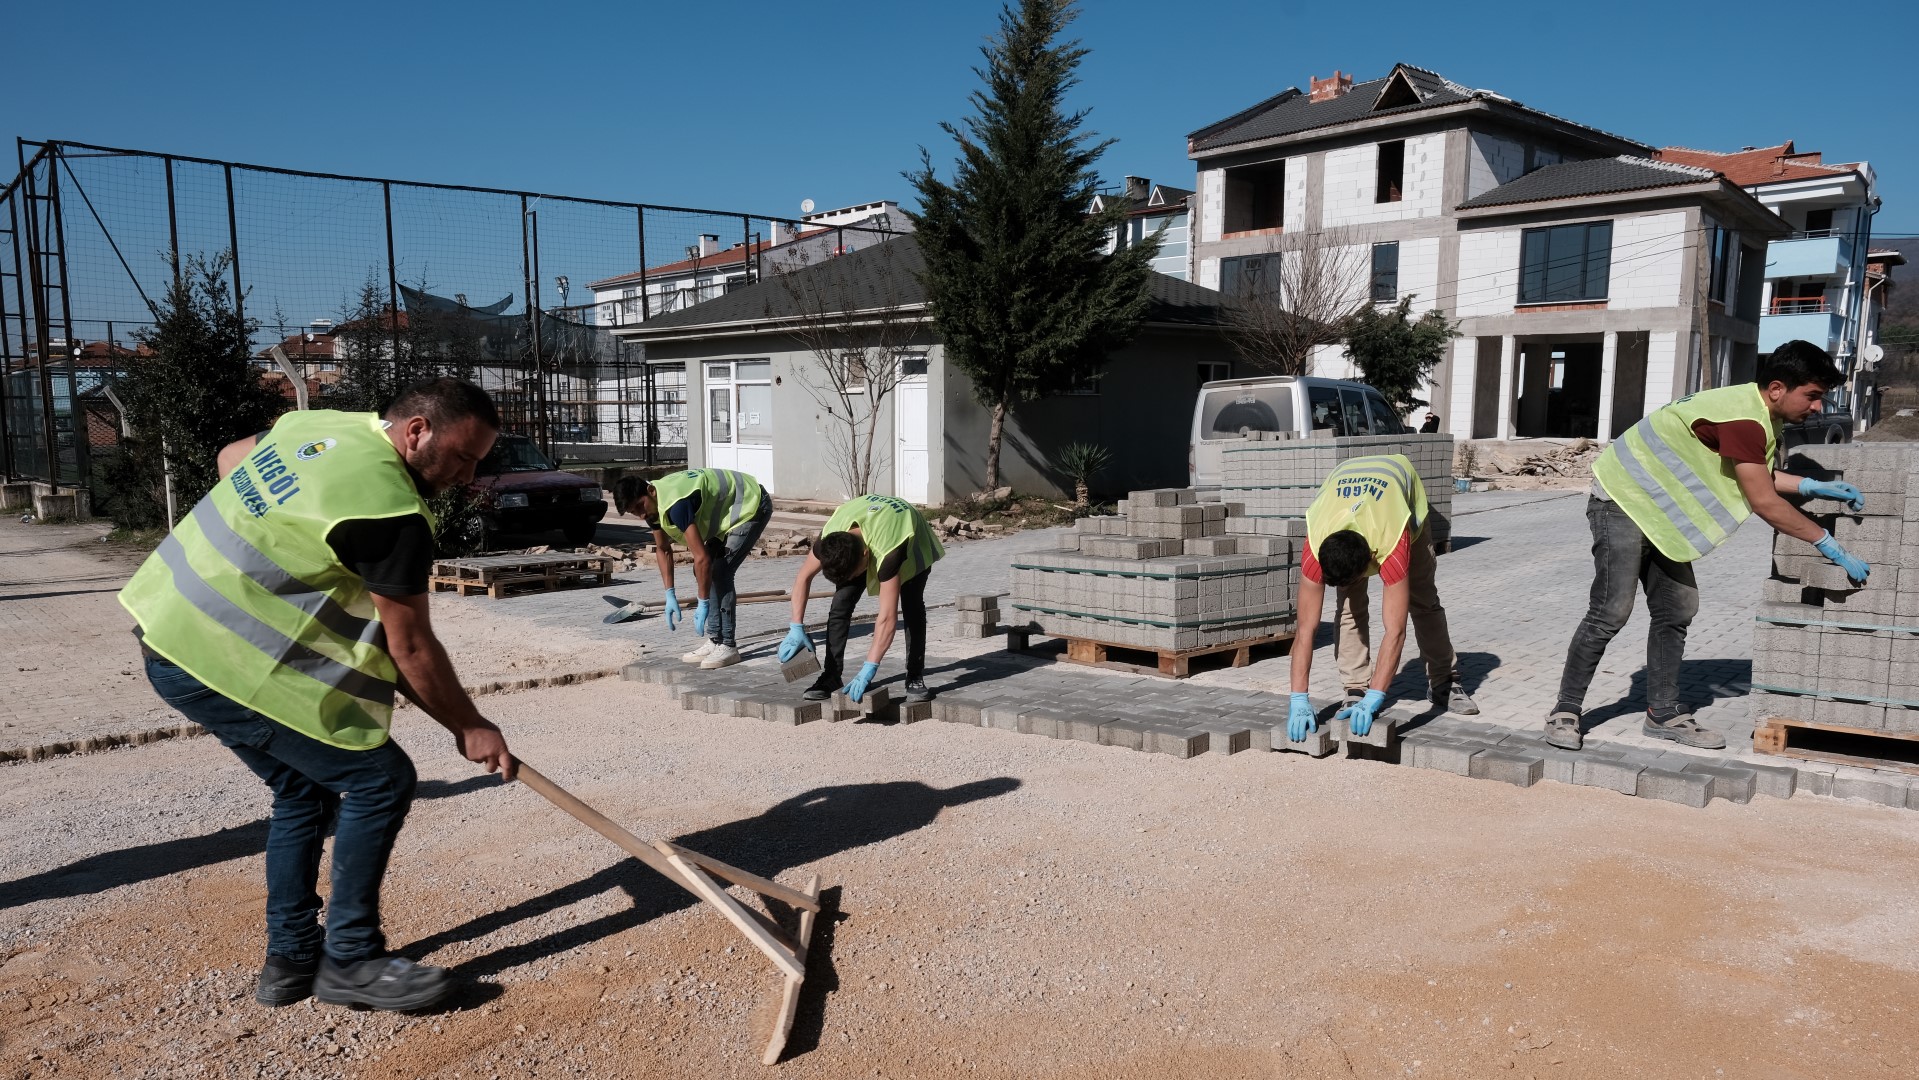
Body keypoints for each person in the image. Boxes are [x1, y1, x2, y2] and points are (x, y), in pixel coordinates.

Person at [120, 378, 516, 1013]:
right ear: (417, 431)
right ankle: (351, 962)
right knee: (380, 780)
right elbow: (410, 648)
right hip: (218, 659)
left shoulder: (319, 426)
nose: (468, 476)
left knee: (301, 788)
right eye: (464, 458)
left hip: (163, 628)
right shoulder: (389, 513)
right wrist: (469, 726)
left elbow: (229, 457)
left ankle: (291, 958)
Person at [1545, 340, 1868, 751]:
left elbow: (1761, 475)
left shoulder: (1758, 414)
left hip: (1659, 513)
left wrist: (1812, 485)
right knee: (1611, 609)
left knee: (1677, 608)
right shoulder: (1744, 418)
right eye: (1813, 396)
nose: (1818, 407)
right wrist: (1828, 544)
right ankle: (1565, 711)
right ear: (1776, 389)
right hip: (1623, 500)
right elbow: (1764, 501)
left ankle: (1662, 714)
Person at [1285, 452, 1478, 743]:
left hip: (1399, 497)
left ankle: (1444, 681)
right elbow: (1305, 630)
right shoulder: (1315, 546)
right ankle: (1354, 688)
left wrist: (1378, 696)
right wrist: (1298, 698)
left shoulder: (1392, 541)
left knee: (1423, 602)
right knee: (1349, 606)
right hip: (1346, 485)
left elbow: (1395, 630)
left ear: (1373, 559)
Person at [778, 494, 945, 704]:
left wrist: (869, 668)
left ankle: (914, 676)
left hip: (909, 542)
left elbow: (886, 618)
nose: (856, 579)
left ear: (866, 554)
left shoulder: (889, 552)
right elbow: (803, 577)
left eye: (855, 574)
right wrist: (796, 626)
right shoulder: (830, 539)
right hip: (868, 529)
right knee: (840, 604)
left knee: (912, 607)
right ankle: (831, 676)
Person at [614, 468, 773, 669]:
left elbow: (702, 558)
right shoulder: (652, 506)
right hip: (729, 510)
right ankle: (716, 639)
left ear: (651, 491)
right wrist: (669, 594)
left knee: (720, 570)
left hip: (752, 503)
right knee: (705, 571)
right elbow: (663, 549)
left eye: (639, 506)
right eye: (633, 512)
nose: (641, 514)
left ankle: (728, 646)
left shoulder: (676, 505)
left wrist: (702, 602)